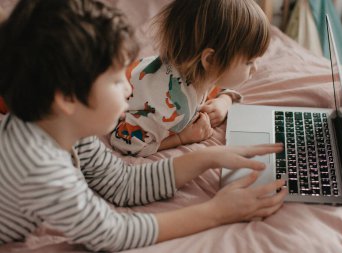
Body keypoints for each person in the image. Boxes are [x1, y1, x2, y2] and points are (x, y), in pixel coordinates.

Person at [0, 0, 287, 251]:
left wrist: (208, 158)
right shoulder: (38, 165)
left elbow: (121, 184)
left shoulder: (64, 129)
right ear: (67, 98)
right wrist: (217, 212)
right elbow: (111, 233)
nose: (129, 89)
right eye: (115, 80)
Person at [109, 0, 270, 157]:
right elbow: (125, 143)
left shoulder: (196, 71)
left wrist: (224, 101)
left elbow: (219, 83)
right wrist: (182, 138)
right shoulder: (172, 110)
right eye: (249, 62)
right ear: (210, 60)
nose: (255, 69)